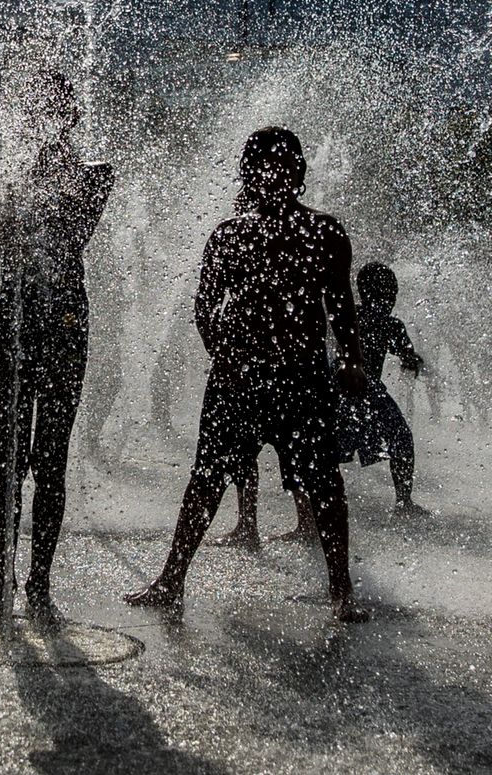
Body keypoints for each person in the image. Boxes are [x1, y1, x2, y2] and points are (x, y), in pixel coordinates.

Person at [125, 126, 371, 623]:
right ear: (249, 176)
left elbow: (341, 309)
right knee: (207, 479)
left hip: (301, 378)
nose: (274, 176)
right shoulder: (232, 234)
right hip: (241, 378)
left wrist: (349, 359)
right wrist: (224, 354)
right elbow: (204, 307)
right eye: (263, 168)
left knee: (324, 483)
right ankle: (172, 578)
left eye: (283, 167)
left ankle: (342, 590)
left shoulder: (325, 233)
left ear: (299, 173)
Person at [0, 75, 113, 626]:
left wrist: (48, 177)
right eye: (36, 110)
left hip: (62, 322)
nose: (45, 121)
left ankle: (39, 584)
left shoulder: (92, 177)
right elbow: (5, 244)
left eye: (55, 112)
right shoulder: (8, 178)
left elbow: (72, 233)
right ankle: (1, 581)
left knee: (50, 460)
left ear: (71, 119)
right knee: (9, 459)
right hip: (14, 317)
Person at [337, 262, 428, 515]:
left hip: (351, 392)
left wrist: (413, 361)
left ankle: (402, 501)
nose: (389, 301)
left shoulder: (355, 318)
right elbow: (407, 356)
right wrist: (416, 362)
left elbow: (405, 355)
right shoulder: (376, 322)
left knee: (399, 439)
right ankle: (403, 502)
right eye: (387, 295)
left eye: (392, 295)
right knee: (400, 440)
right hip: (357, 392)